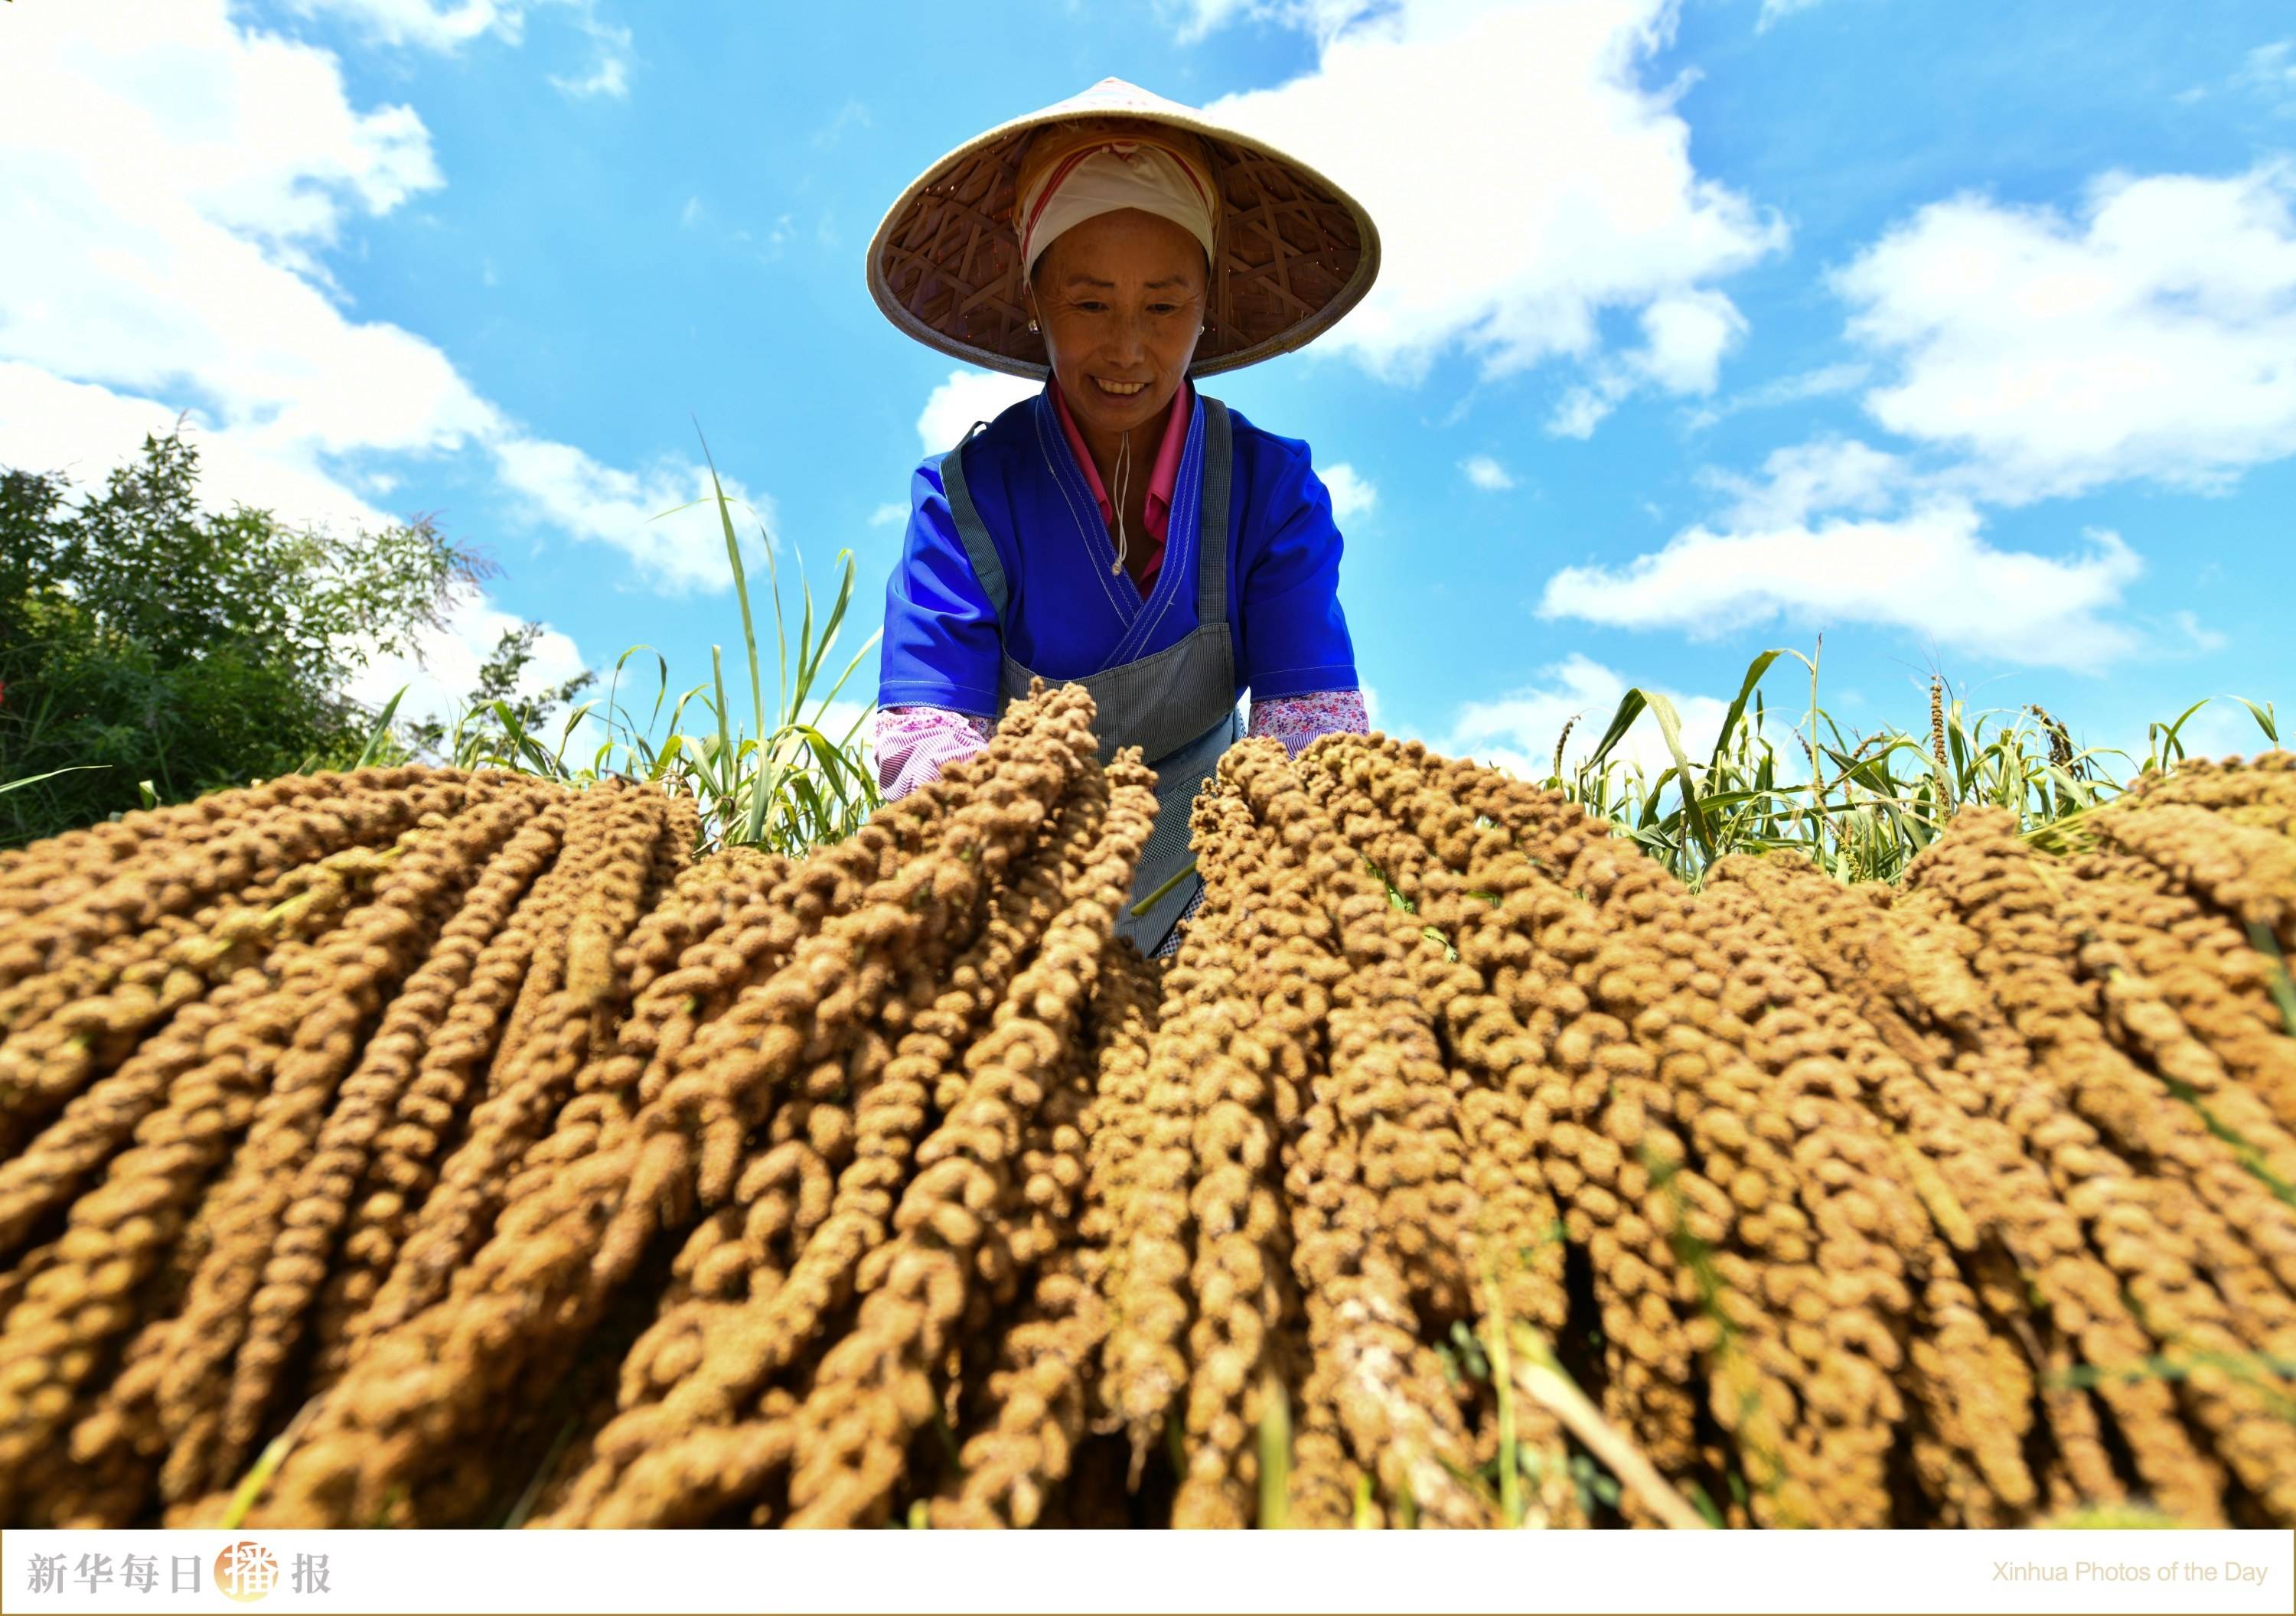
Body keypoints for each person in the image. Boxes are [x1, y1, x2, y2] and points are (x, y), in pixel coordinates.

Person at [865, 78, 1381, 955]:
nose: (1129, 350)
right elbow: (932, 744)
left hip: (1217, 891)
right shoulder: (967, 502)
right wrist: (974, 898)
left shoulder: (1269, 488)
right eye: (1091, 304)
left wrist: (1269, 917)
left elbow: (1308, 733)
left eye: (1165, 306)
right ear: (1036, 300)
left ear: (1207, 301)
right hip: (1023, 899)